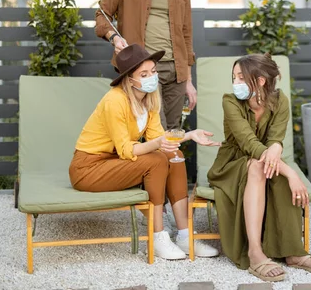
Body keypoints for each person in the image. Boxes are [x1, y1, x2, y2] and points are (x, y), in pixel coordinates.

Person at [69, 44, 220, 260]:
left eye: (154, 71)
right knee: (157, 161)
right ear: (130, 79)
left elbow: (158, 138)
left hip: (114, 163)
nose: (152, 77)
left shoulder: (149, 100)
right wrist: (159, 143)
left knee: (174, 155)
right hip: (88, 169)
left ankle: (185, 236)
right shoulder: (115, 100)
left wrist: (189, 135)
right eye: (144, 74)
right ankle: (158, 237)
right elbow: (126, 150)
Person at [207, 54, 311, 282]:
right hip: (232, 163)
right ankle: (255, 253)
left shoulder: (280, 100)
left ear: (261, 81)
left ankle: (293, 252)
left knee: (272, 172)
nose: (235, 83)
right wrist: (291, 172)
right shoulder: (230, 101)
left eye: (241, 77)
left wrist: (275, 147)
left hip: (265, 158)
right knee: (260, 168)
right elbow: (248, 143)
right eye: (234, 77)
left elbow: (276, 137)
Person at [95, 0, 197, 131]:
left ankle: (169, 165)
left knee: (174, 130)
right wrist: (114, 38)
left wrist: (187, 81)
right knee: (154, 129)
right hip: (143, 68)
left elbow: (186, 34)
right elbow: (102, 15)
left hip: (176, 70)